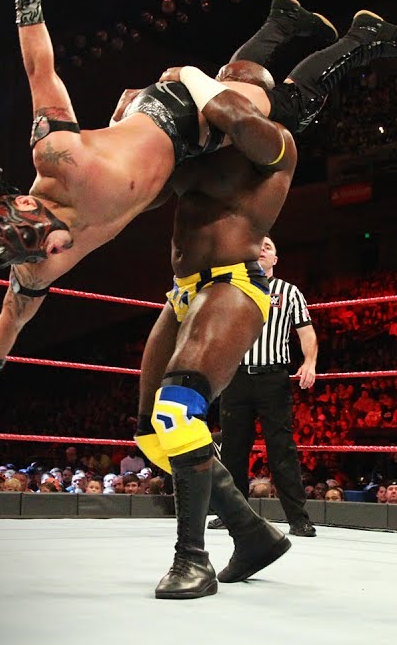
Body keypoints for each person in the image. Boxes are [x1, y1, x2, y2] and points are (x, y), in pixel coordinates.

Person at [0, 0, 397, 416]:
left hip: (173, 116)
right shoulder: (37, 265)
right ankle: (284, 21)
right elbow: (11, 318)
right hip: (173, 167)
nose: (52, 251)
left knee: (284, 111)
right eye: (35, 253)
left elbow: (39, 70)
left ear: (29, 203)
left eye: (40, 239)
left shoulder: (58, 157)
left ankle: (364, 38)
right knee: (237, 80)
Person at [131, 60, 308, 599]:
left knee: (178, 411)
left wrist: (189, 73)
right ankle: (252, 533)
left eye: (237, 83)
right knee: (154, 435)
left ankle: (193, 559)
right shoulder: (200, 151)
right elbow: (147, 192)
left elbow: (233, 114)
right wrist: (141, 115)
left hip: (234, 284)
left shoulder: (274, 142)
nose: (224, 87)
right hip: (182, 292)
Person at [208, 234, 317, 537]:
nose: (261, 249)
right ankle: (232, 514)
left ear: (275, 259)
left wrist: (309, 362)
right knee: (233, 449)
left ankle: (298, 519)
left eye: (267, 246)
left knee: (281, 449)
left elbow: (306, 331)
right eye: (257, 246)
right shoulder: (232, 289)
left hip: (273, 378)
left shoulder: (289, 292)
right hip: (236, 377)